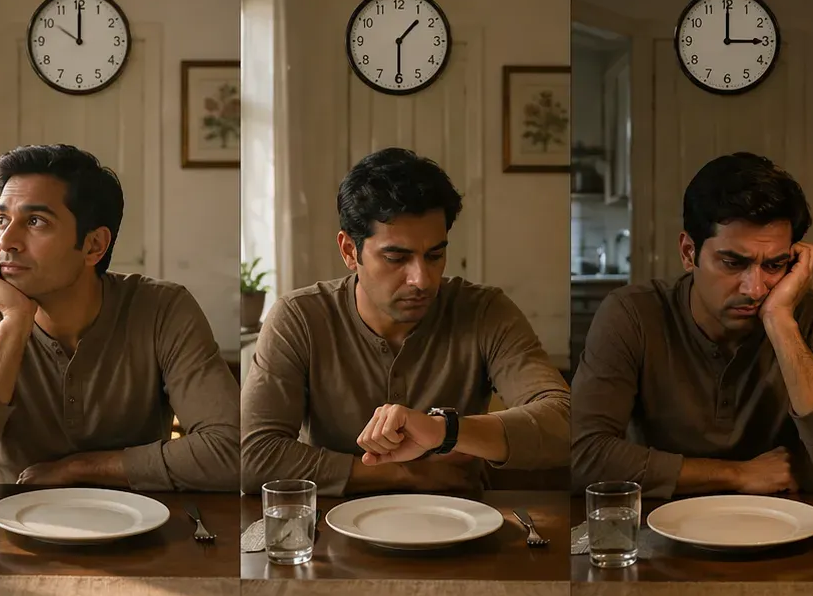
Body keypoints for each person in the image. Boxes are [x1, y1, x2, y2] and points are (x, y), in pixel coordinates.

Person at [241, 148, 570, 494]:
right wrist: (403, 475)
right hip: (331, 530)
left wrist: (444, 430)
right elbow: (251, 457)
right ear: (350, 252)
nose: (422, 280)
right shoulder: (299, 317)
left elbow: (565, 422)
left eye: (435, 255)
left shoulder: (485, 311)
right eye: (396, 257)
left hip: (462, 526)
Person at [0, 144, 238, 490]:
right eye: (2, 220)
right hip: (9, 527)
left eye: (35, 221)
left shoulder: (162, 309)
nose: (5, 242)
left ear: (93, 246)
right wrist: (14, 323)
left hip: (144, 527)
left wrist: (84, 467)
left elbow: (232, 451)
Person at [571, 152, 813, 499]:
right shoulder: (631, 313)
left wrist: (781, 323)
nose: (755, 289)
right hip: (660, 530)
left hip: (790, 528)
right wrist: (737, 475)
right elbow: (582, 455)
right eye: (733, 263)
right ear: (689, 252)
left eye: (775, 265)